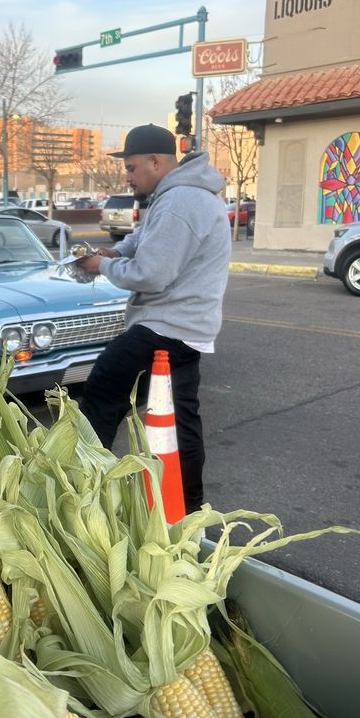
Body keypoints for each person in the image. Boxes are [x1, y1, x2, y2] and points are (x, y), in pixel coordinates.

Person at [76, 123, 231, 512]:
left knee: (103, 389)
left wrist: (100, 267)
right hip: (185, 326)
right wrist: (112, 253)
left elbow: (151, 273)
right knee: (181, 419)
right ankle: (190, 506)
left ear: (155, 161)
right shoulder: (177, 195)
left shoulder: (179, 201)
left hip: (167, 324)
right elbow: (141, 242)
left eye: (130, 168)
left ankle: (82, 489)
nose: (127, 177)